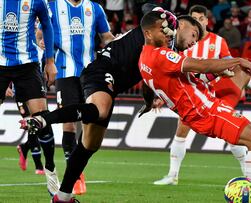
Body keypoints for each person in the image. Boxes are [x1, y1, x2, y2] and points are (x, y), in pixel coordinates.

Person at [21, 9, 203, 202]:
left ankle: (63, 197)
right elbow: (150, 9)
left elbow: (149, 76)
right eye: (194, 35)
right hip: (102, 69)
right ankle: (42, 119)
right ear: (180, 25)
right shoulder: (160, 26)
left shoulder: (167, 50)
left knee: (90, 144)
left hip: (111, 84)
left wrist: (149, 102)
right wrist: (166, 14)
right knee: (99, 111)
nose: (194, 42)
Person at [154, 4, 251, 186]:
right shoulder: (181, 42)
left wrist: (223, 72)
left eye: (201, 19)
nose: (198, 22)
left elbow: (227, 64)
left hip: (218, 90)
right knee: (182, 132)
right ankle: (173, 174)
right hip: (196, 94)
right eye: (194, 18)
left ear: (206, 20)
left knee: (236, 123)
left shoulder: (217, 41)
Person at [139, 10, 251, 202]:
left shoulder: (144, 59)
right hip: (206, 111)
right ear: (149, 34)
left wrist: (148, 103)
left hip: (201, 110)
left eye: (167, 31)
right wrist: (238, 60)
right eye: (162, 31)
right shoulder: (161, 55)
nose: (167, 34)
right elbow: (200, 66)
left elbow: (146, 85)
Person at [36, 0, 114, 195]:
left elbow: (106, 36)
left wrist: (121, 45)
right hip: (64, 71)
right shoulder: (53, 6)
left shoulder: (94, 8)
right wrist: (41, 42)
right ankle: (76, 175)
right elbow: (40, 33)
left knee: (88, 123)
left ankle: (76, 167)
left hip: (91, 72)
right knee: (69, 122)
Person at [0, 0, 59, 196]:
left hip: (28, 65)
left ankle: (50, 170)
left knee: (41, 118)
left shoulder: (36, 1)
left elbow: (47, 26)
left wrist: (50, 62)